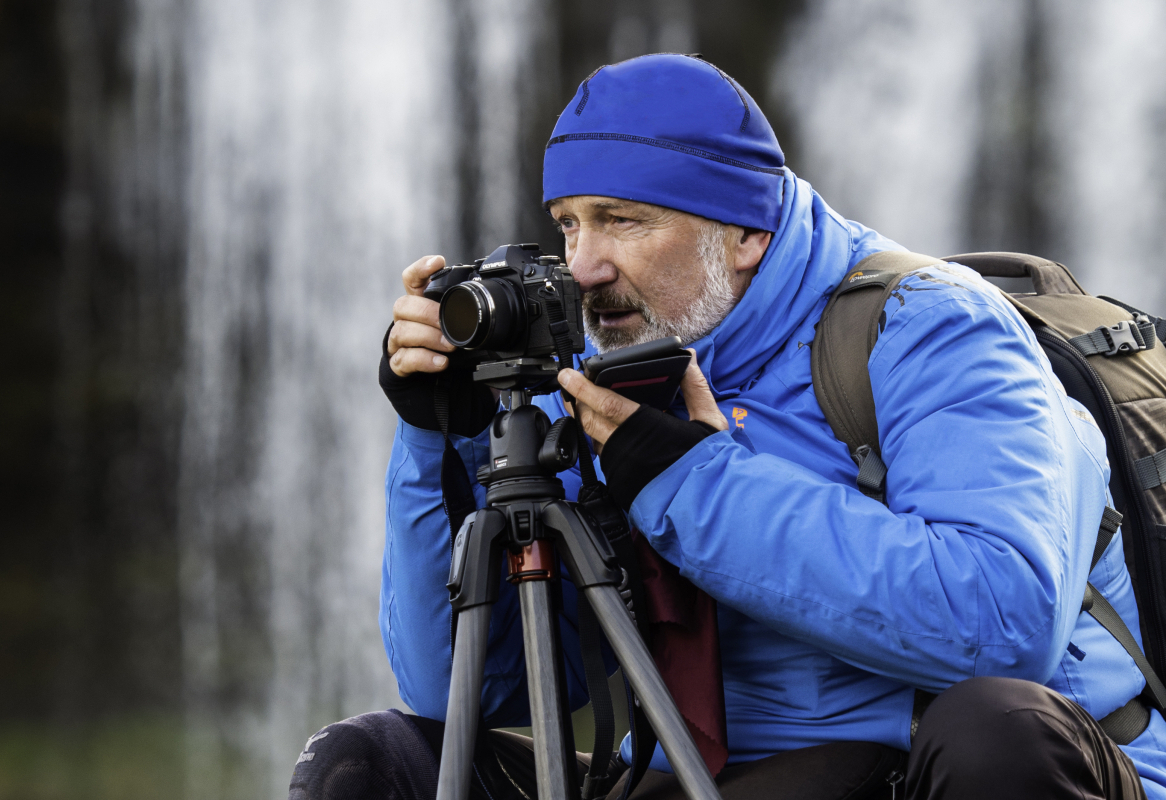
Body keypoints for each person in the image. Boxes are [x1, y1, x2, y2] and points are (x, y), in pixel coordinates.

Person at [290, 54, 1166, 800]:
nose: (583, 267)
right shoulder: (599, 366)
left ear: (746, 232)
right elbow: (473, 695)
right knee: (371, 763)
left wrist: (691, 481)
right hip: (708, 772)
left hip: (927, 768)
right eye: (568, 224)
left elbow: (1000, 622)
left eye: (622, 221)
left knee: (995, 731)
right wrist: (443, 438)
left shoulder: (934, 329)